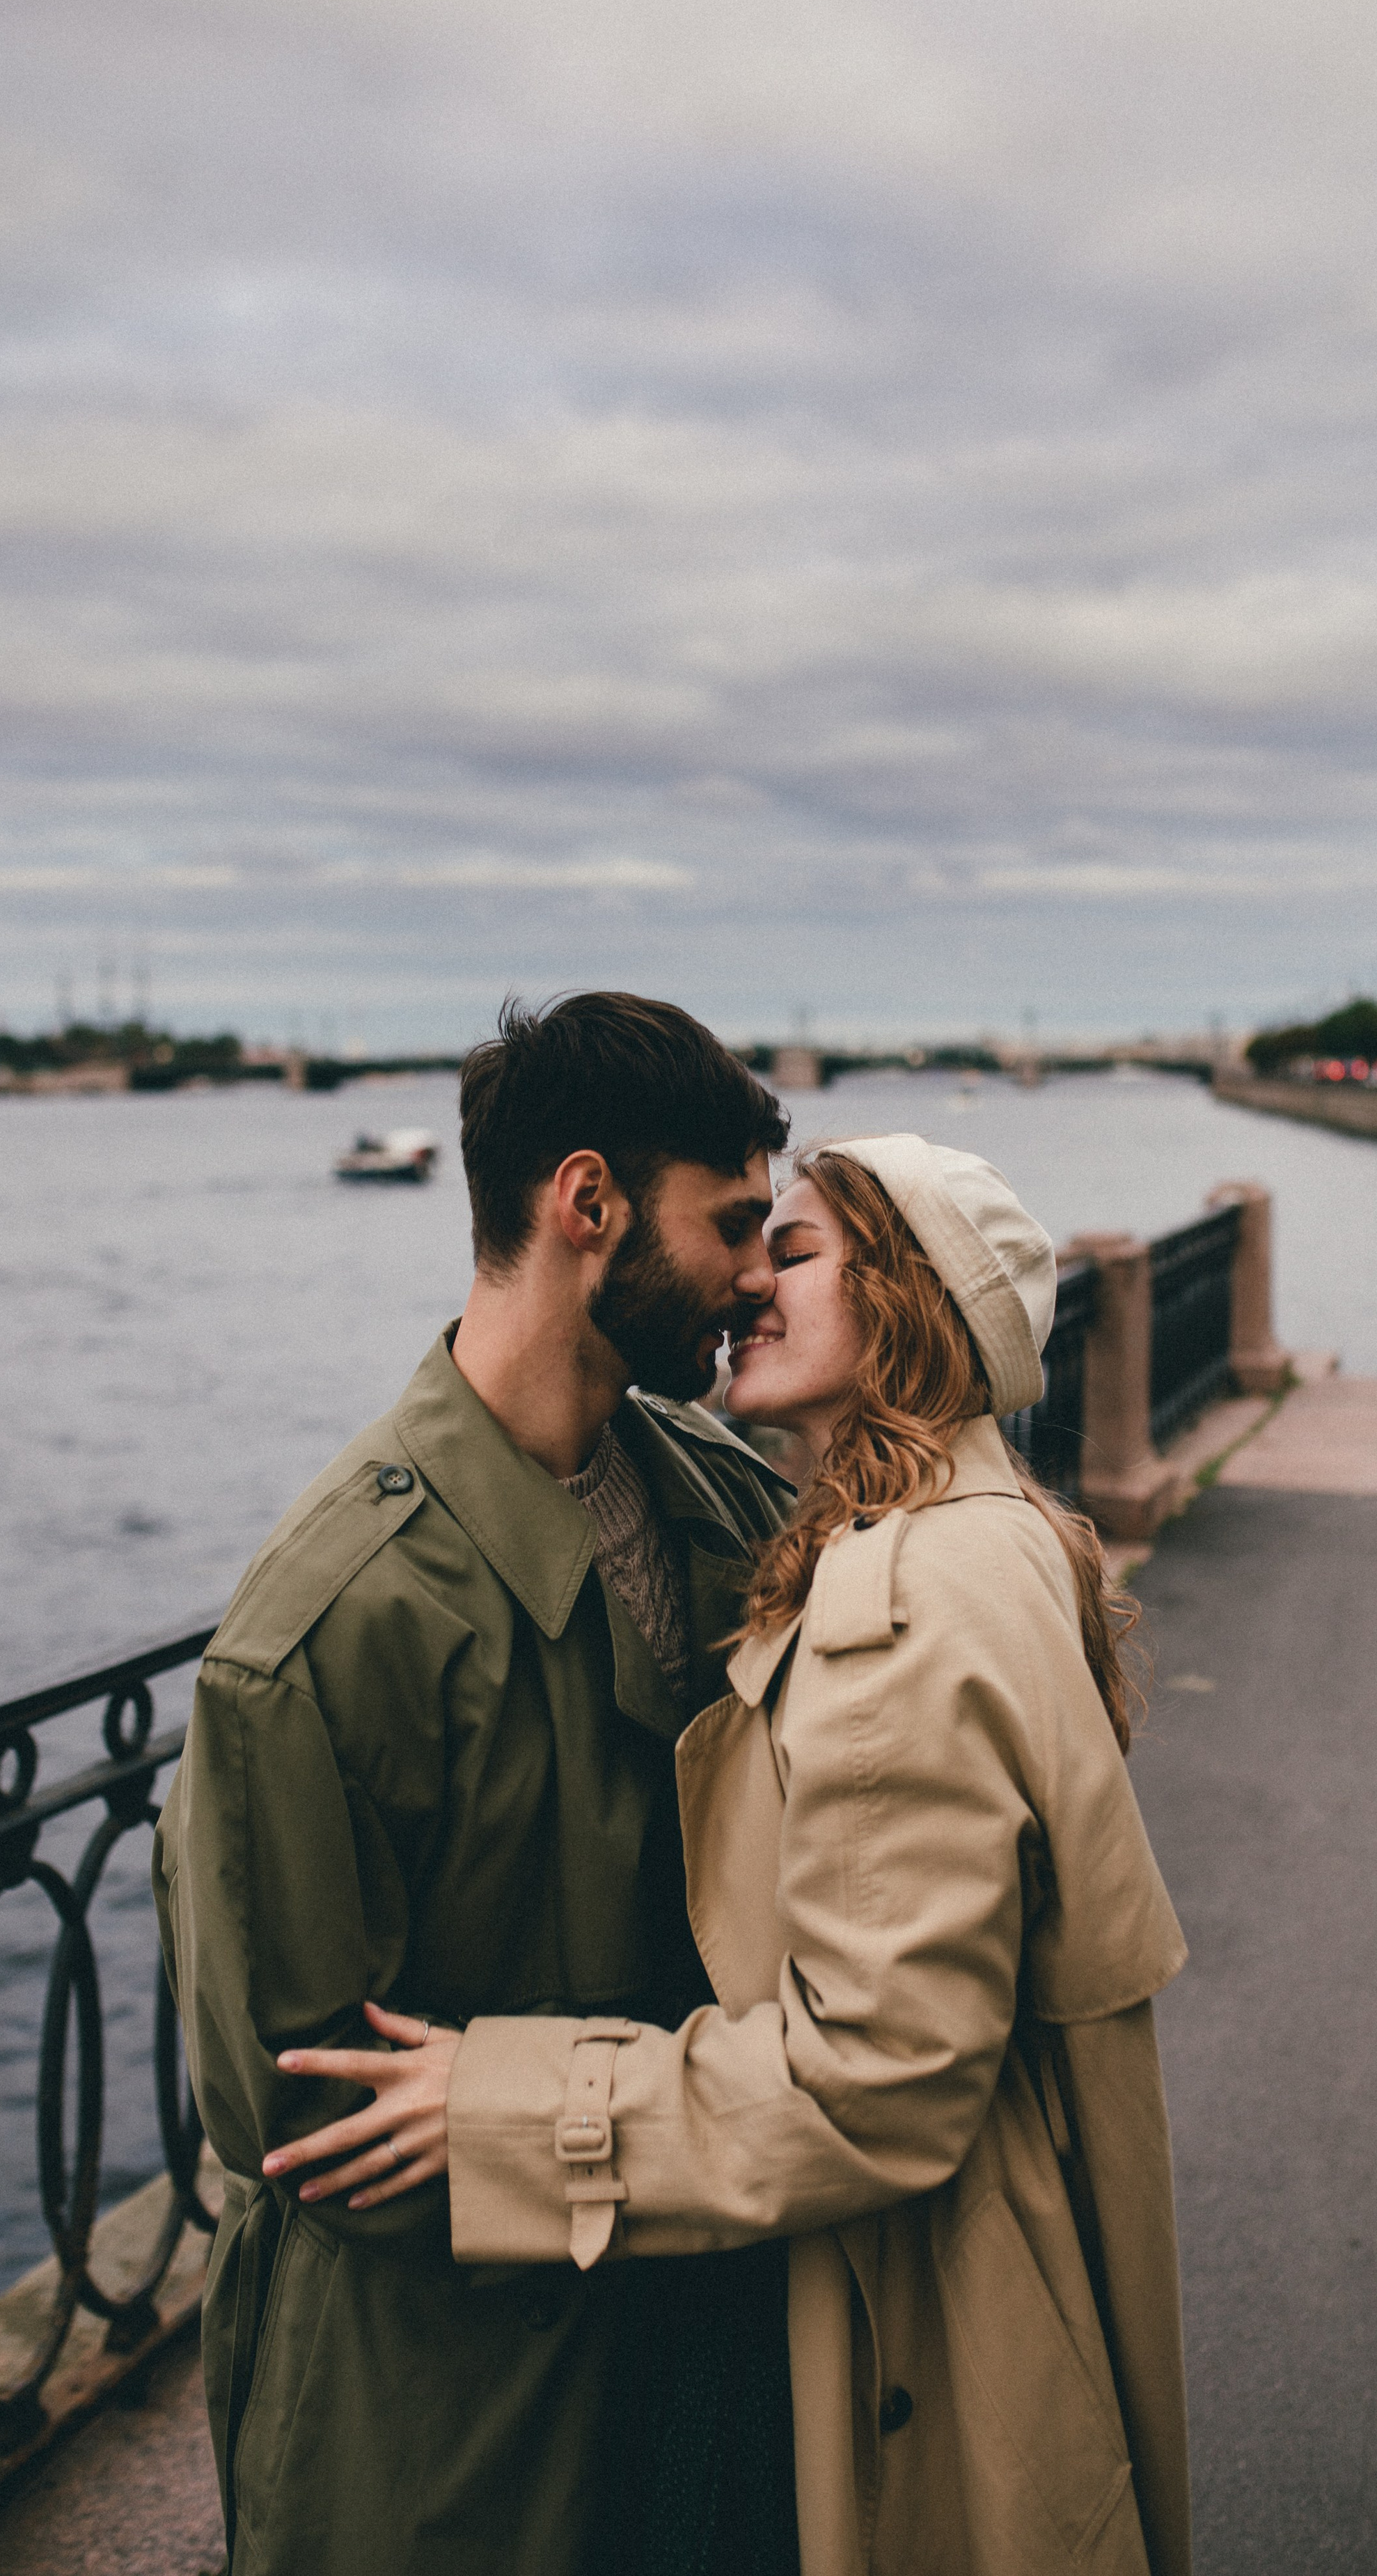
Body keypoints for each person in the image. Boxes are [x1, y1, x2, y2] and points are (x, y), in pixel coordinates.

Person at [276, 1134, 1193, 2576]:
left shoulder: (899, 1609)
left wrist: (501, 2108)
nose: (750, 1281)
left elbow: (878, 2077)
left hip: (911, 2309)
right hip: (983, 2252)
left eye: (800, 1251)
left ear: (911, 1300)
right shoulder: (994, 1530)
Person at [152, 992, 801, 2576]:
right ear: (588, 1204)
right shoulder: (331, 1624)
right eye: (733, 1224)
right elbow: (297, 2115)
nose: (759, 1276)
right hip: (446, 2452)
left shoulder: (724, 1501)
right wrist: (652, 2127)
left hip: (693, 2397)